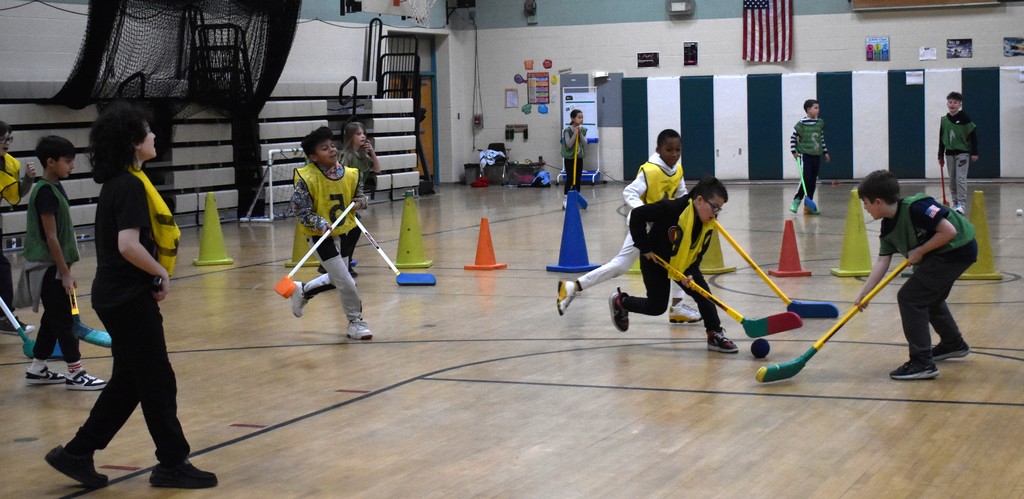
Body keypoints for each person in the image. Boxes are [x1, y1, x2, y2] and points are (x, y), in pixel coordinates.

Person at [45, 102, 217, 489]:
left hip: (118, 294)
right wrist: (160, 273)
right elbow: (128, 245)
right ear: (134, 142)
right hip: (125, 298)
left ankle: (76, 452)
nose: (155, 137)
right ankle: (172, 463)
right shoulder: (129, 186)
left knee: (130, 382)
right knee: (157, 380)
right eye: (149, 132)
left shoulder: (119, 183)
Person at [557, 129, 701, 324]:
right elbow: (629, 193)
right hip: (642, 227)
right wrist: (647, 214)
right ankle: (573, 287)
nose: (674, 154)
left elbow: (682, 196)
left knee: (678, 261)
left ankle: (677, 307)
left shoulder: (678, 170)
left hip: (664, 228)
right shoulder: (650, 171)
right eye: (669, 150)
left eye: (678, 150)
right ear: (658, 150)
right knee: (621, 265)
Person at [855, 170, 977, 380]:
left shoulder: (917, 207)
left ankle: (922, 362)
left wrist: (919, 251)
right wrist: (865, 294)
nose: (865, 208)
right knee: (929, 298)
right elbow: (883, 261)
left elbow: (949, 232)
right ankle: (953, 343)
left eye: (865, 203)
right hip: (940, 255)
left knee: (910, 297)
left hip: (957, 249)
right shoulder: (887, 228)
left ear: (877, 201)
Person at [608, 176, 738, 353]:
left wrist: (690, 274)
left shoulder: (707, 224)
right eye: (714, 207)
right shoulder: (671, 208)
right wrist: (644, 248)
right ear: (699, 200)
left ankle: (714, 334)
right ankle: (621, 301)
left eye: (719, 209)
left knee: (704, 295)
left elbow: (697, 253)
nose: (715, 214)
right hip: (654, 260)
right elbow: (637, 216)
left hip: (682, 264)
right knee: (657, 307)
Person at [21, 136, 106, 390]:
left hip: (53, 267)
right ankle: (75, 372)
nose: (72, 166)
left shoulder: (55, 186)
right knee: (66, 320)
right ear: (50, 162)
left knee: (53, 317)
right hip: (48, 269)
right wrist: (65, 273)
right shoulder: (45, 192)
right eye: (68, 161)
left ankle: (37, 367)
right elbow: (51, 237)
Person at [288, 126, 372, 340]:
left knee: (339, 278)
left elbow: (362, 196)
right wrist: (320, 222)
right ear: (314, 157)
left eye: (332, 146)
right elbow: (300, 211)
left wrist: (361, 202)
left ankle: (304, 290)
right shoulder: (306, 179)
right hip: (320, 236)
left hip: (347, 231)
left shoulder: (352, 174)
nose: (332, 150)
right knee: (346, 280)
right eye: (325, 149)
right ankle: (355, 322)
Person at [0, 120, 37, 335]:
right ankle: (5, 317)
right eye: (3, 138)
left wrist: (28, 180)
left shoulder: (10, 163)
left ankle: (5, 317)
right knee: (2, 267)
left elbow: (15, 196)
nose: (7, 143)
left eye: (9, 138)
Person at [337, 121, 381, 277]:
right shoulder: (346, 156)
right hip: (344, 199)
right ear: (350, 137)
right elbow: (340, 177)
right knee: (346, 233)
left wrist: (372, 152)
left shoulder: (363, 156)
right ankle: (340, 265)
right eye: (358, 134)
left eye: (363, 133)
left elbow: (377, 169)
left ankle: (345, 263)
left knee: (354, 231)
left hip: (355, 199)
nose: (362, 136)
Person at [938, 91, 978, 215]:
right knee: (952, 179)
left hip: (963, 153)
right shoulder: (944, 120)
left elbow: (973, 136)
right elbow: (941, 138)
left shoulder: (965, 119)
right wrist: (940, 154)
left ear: (960, 104)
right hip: (949, 153)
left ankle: (961, 204)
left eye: (955, 102)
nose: (952, 104)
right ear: (947, 104)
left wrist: (974, 152)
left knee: (960, 178)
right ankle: (955, 204)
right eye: (950, 102)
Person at [789, 99, 830, 215]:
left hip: (816, 156)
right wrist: (793, 152)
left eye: (818, 108)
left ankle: (808, 206)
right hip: (805, 155)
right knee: (805, 179)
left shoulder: (820, 123)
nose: (818, 110)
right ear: (808, 110)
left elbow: (821, 139)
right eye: (815, 108)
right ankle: (796, 200)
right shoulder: (801, 124)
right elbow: (793, 138)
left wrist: (825, 152)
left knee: (812, 181)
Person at [560, 109, 587, 209]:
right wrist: (575, 134)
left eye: (582, 117)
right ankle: (565, 200)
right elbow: (569, 144)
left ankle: (577, 199)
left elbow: (585, 143)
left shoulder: (582, 129)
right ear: (573, 118)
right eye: (579, 117)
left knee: (578, 178)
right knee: (570, 178)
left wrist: (580, 134)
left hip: (578, 157)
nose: (581, 119)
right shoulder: (567, 130)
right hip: (570, 158)